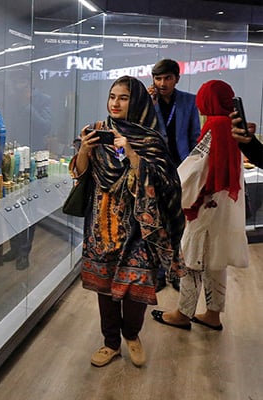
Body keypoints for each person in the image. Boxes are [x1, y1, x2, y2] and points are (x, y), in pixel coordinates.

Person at [71, 75, 185, 368]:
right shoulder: (97, 131)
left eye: (123, 97)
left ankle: (132, 335)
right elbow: (80, 174)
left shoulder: (150, 139)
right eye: (112, 96)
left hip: (139, 227)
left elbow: (166, 182)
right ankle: (110, 343)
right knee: (105, 286)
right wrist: (84, 149)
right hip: (102, 223)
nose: (116, 103)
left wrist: (132, 154)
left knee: (136, 287)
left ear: (136, 102)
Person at [151, 80, 248, 332]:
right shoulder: (231, 124)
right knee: (215, 258)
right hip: (224, 202)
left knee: (192, 258)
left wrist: (173, 189)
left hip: (204, 203)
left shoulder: (214, 125)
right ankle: (213, 314)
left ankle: (183, 313)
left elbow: (197, 167)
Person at [148, 59, 201, 292]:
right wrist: (147, 104)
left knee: (179, 222)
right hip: (156, 168)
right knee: (157, 220)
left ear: (176, 79)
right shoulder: (148, 101)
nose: (162, 83)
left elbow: (194, 135)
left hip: (182, 167)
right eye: (158, 78)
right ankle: (158, 271)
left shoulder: (189, 101)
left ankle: (177, 271)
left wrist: (194, 167)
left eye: (167, 78)